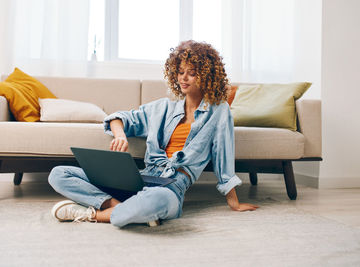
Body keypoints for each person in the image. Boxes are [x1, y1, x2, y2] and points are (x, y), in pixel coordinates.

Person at [48, 40, 259, 227]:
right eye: (180, 71)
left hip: (172, 187)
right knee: (59, 174)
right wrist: (120, 135)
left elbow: (224, 155)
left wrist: (233, 201)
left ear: (206, 75)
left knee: (155, 201)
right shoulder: (162, 108)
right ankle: (119, 208)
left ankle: (93, 215)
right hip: (140, 178)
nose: (183, 78)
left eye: (192, 72)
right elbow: (118, 117)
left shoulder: (218, 110)